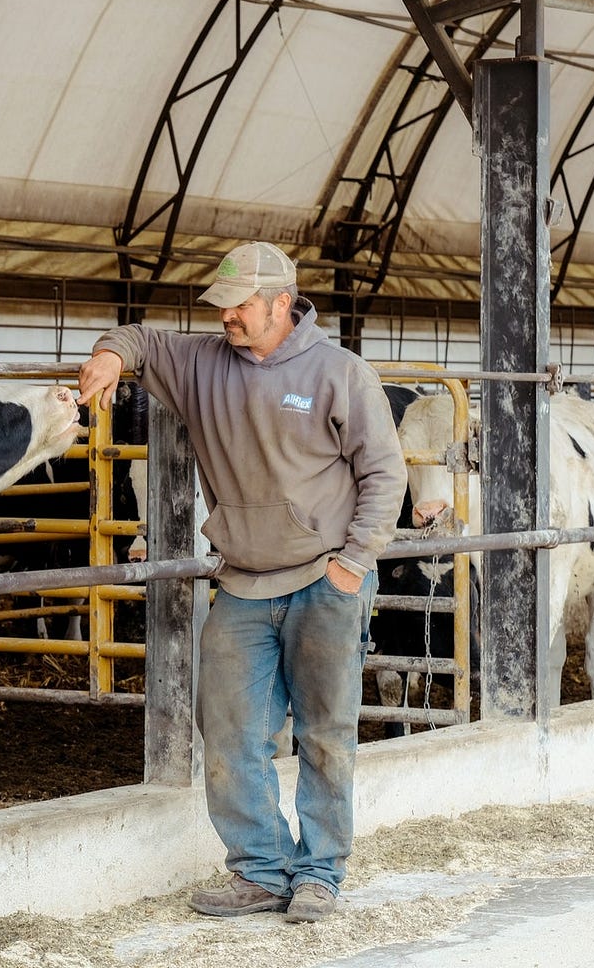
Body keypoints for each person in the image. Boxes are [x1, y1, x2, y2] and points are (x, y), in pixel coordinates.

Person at [77, 241, 406, 924]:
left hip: (324, 579)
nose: (226, 316)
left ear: (282, 303)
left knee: (324, 732)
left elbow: (385, 473)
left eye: (240, 305)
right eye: (220, 305)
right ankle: (259, 870)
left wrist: (353, 562)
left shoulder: (339, 372)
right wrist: (109, 357)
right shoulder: (200, 362)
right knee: (227, 728)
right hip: (245, 582)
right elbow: (137, 337)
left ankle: (319, 874)